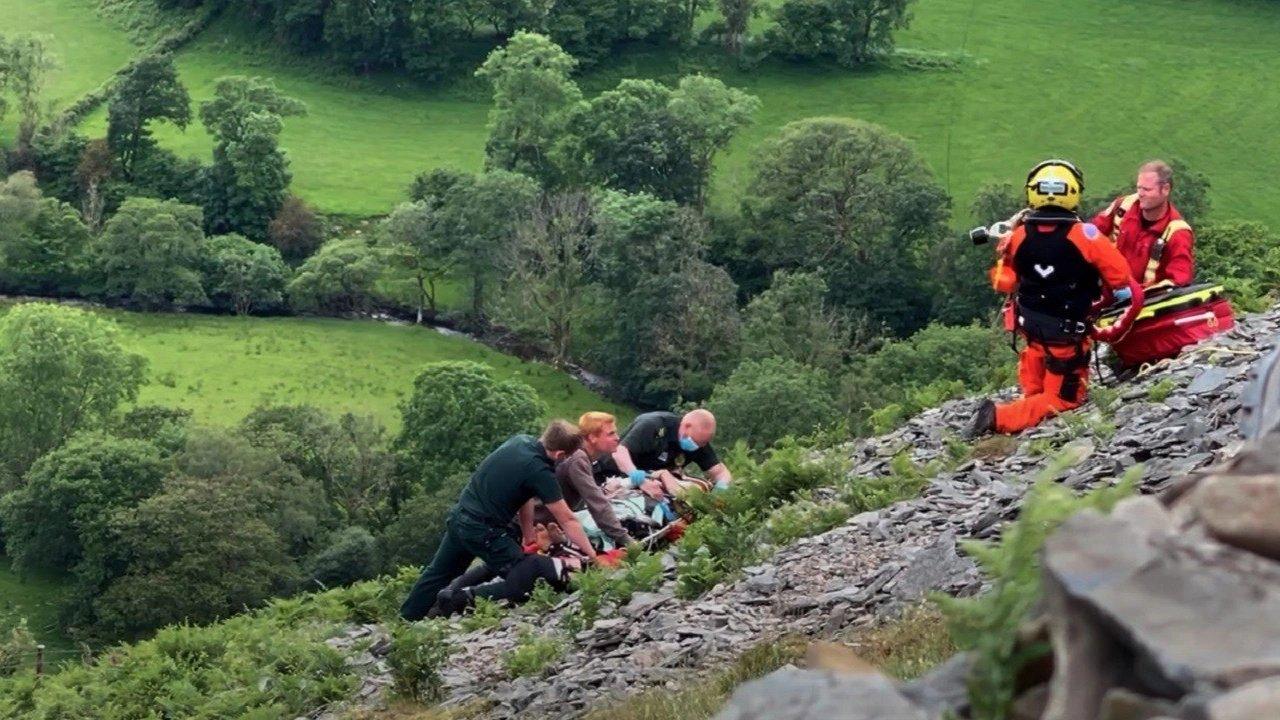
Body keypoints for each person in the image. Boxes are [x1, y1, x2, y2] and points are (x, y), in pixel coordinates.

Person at [967, 159, 1145, 437]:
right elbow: (1120, 278)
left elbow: (1005, 282)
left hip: (1031, 329)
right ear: (1073, 192)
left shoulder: (1018, 235)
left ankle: (1028, 410)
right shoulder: (1087, 235)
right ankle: (996, 417)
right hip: (1064, 338)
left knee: (1036, 386)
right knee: (1064, 399)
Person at [399, 420, 597, 621]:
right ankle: (459, 599)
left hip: (461, 516)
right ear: (561, 455)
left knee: (437, 574)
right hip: (485, 530)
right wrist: (593, 558)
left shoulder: (519, 441)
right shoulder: (540, 471)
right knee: (526, 574)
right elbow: (568, 519)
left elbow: (525, 494)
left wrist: (528, 534)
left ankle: (406, 620)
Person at [536, 411, 636, 549]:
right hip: (540, 523)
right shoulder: (578, 458)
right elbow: (597, 503)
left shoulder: (581, 455)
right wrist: (626, 540)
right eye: (611, 434)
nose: (617, 438)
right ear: (592, 437)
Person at [1090, 160, 1195, 290]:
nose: (1140, 194)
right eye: (1139, 187)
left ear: (1166, 189)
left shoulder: (1178, 233)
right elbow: (1090, 234)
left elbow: (1178, 281)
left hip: (1144, 303)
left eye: (1147, 189)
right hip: (1105, 291)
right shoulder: (1124, 206)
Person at [603, 409, 732, 493]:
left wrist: (721, 488)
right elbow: (619, 453)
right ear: (686, 426)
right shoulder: (653, 425)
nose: (696, 446)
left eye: (701, 444)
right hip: (609, 475)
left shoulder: (698, 442)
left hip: (647, 486)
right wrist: (639, 479)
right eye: (695, 442)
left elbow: (720, 472)